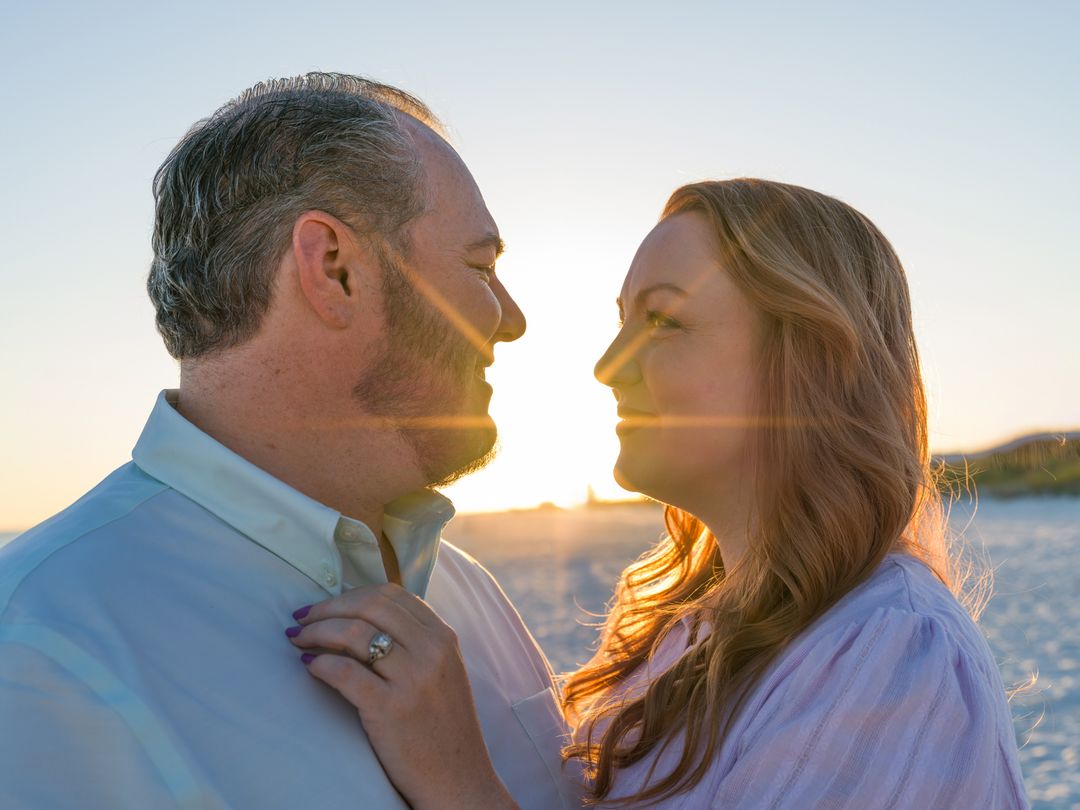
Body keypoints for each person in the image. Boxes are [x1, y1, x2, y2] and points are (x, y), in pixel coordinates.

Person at [289, 179, 1030, 808]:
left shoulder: (891, 655)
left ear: (809, 361)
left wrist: (456, 778)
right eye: (622, 323)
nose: (609, 365)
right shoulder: (688, 632)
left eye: (664, 321)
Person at [0, 73, 582, 810]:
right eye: (481, 266)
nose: (512, 318)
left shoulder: (466, 591)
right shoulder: (40, 649)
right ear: (333, 268)